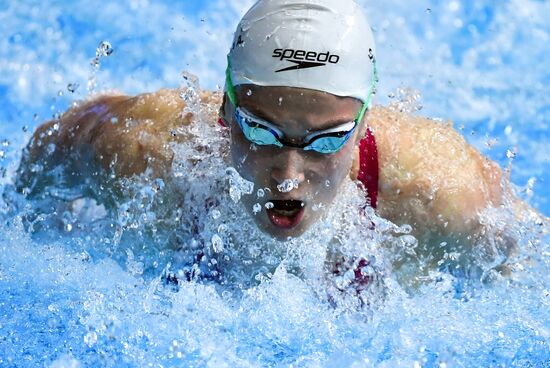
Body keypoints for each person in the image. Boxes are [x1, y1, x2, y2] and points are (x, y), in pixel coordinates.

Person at [15, 0, 537, 286]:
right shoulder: (148, 149)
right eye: (260, 131)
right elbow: (54, 147)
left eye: (326, 140)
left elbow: (531, 265)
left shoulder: (440, 191)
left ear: (362, 126)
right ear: (224, 111)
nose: (287, 175)